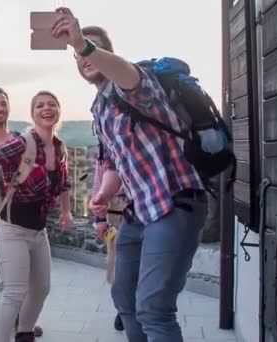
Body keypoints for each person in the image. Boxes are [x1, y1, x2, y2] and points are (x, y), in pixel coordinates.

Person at [52, 8, 208, 342]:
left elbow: (128, 75)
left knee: (154, 309)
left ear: (106, 52)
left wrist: (82, 42)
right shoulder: (100, 108)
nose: (82, 57)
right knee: (124, 298)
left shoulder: (134, 84)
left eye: (90, 49)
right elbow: (117, 163)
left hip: (174, 205)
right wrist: (105, 194)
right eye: (78, 55)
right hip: (139, 211)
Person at [0, 91, 74, 342]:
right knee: (14, 292)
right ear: (33, 114)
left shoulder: (59, 147)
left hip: (38, 230)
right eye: (40, 105)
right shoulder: (22, 143)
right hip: (12, 229)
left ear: (59, 111)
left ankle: (24, 334)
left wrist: (66, 211)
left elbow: (64, 184)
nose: (47, 109)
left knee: (42, 288)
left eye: (52, 104)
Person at [90, 154, 127, 332]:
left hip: (142, 204)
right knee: (116, 262)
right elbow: (99, 180)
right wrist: (100, 218)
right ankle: (122, 309)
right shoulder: (105, 146)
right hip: (116, 207)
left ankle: (137, 308)